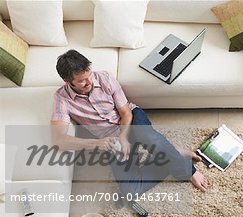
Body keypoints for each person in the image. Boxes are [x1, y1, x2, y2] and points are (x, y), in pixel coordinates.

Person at [50, 49, 208, 198]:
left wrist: (124, 137)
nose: (89, 82)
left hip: (131, 120)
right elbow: (60, 140)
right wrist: (98, 143)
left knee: (149, 139)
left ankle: (188, 169)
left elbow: (125, 112)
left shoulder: (105, 78)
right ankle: (173, 152)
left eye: (89, 75)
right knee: (131, 190)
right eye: (82, 81)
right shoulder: (62, 98)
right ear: (67, 81)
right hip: (110, 140)